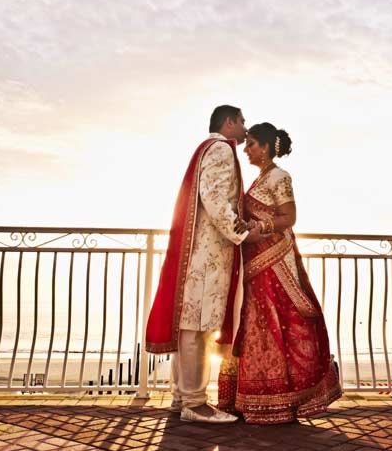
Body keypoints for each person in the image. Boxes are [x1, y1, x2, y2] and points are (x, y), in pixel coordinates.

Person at [217, 122, 342, 424]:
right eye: (246, 144)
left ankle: (281, 400)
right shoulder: (260, 178)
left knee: (280, 321)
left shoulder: (279, 177)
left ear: (265, 147)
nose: (246, 150)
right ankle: (255, 398)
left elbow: (290, 216)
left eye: (250, 144)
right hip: (255, 260)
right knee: (257, 323)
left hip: (275, 260)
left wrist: (260, 227)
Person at [145, 105, 262, 423]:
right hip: (208, 255)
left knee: (189, 325)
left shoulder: (205, 149)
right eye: (242, 121)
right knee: (197, 326)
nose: (244, 126)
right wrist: (242, 233)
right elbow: (215, 199)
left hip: (196, 253)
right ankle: (195, 404)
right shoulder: (221, 149)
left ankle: (181, 397)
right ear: (229, 122)